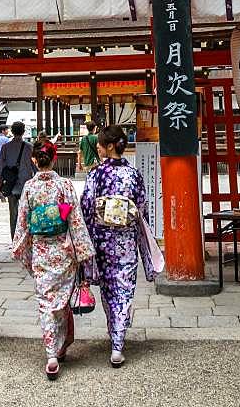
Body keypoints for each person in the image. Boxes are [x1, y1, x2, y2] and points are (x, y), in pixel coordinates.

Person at [13, 138, 94, 380]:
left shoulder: (29, 187)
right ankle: (61, 346)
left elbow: (24, 223)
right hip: (64, 250)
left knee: (46, 303)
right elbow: (75, 220)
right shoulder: (66, 185)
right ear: (54, 158)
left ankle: (51, 354)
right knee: (61, 302)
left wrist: (21, 249)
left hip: (41, 252)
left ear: (34, 160)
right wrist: (83, 252)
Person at [80, 124, 156, 369]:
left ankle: (114, 332)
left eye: (101, 144)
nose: (99, 148)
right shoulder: (133, 174)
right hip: (125, 242)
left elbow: (86, 206)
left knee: (108, 289)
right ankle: (117, 343)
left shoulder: (96, 174)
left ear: (110, 146)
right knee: (123, 291)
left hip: (103, 241)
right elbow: (142, 206)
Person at [0, 120, 35, 240]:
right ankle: (26, 237)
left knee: (13, 213)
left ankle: (14, 238)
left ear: (12, 132)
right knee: (27, 212)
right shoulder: (29, 147)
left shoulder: (6, 147)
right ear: (23, 132)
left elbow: (0, 167)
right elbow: (35, 166)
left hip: (10, 183)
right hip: (26, 183)